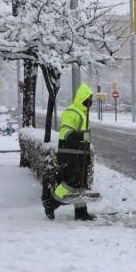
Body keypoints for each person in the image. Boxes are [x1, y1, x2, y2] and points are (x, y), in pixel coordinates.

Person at [44, 83, 95, 221]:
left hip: (80, 155)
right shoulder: (71, 112)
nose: (91, 102)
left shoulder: (83, 114)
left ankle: (80, 212)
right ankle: (50, 204)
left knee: (80, 185)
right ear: (83, 98)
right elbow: (66, 134)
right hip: (70, 154)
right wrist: (82, 136)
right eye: (89, 99)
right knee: (70, 184)